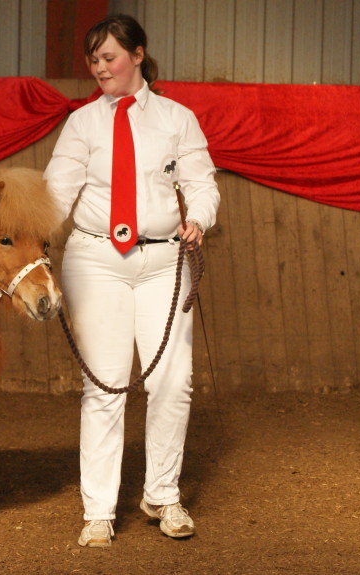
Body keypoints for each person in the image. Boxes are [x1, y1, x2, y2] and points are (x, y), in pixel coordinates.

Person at [43, 14, 220, 548]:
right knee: (104, 385)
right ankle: (98, 509)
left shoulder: (176, 118)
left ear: (138, 55)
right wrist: (28, 232)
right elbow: (55, 192)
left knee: (172, 382)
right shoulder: (82, 124)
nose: (99, 68)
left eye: (109, 57)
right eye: (93, 59)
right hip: (95, 259)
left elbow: (202, 181)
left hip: (165, 260)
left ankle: (162, 494)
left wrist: (200, 219)